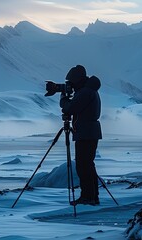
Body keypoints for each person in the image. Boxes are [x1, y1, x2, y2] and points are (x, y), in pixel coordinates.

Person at [60, 65, 102, 206]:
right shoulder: (89, 90)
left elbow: (70, 108)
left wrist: (63, 99)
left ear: (77, 80)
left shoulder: (85, 92)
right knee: (87, 165)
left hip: (86, 133)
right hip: (88, 132)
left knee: (83, 166)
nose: (70, 85)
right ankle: (92, 196)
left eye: (71, 82)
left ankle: (88, 197)